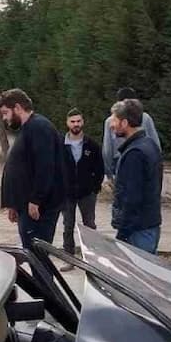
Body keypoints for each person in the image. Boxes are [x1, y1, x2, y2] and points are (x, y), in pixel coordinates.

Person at [0, 89, 66, 250]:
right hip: (25, 207)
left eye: (6, 113)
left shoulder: (39, 127)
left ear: (17, 108)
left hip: (39, 209)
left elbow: (45, 166)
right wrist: (13, 204)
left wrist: (36, 199)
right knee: (31, 252)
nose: (4, 118)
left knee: (37, 255)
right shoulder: (27, 129)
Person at [110, 96, 163, 252]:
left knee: (138, 267)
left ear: (124, 123)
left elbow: (131, 197)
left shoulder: (134, 154)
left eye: (114, 120)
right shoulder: (149, 144)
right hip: (149, 224)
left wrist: (122, 232)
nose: (111, 125)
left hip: (138, 230)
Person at [60, 108, 105, 257]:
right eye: (72, 121)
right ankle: (69, 257)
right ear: (67, 123)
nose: (76, 124)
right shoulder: (60, 145)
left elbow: (99, 168)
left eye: (78, 121)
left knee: (89, 226)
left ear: (83, 122)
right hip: (66, 193)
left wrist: (95, 188)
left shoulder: (92, 145)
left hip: (87, 193)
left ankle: (93, 257)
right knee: (68, 226)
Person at [102, 88, 161, 179]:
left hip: (119, 161)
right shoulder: (146, 118)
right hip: (145, 159)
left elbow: (107, 150)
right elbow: (156, 144)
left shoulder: (110, 120)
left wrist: (109, 173)